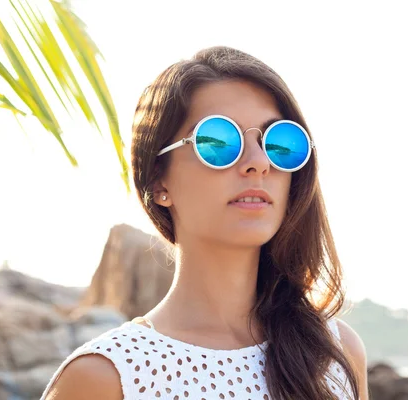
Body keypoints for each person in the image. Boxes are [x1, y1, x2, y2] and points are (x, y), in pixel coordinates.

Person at [41, 46, 369, 400]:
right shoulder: (105, 377)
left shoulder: (334, 354)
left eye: (279, 143)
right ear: (158, 182)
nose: (258, 162)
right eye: (219, 141)